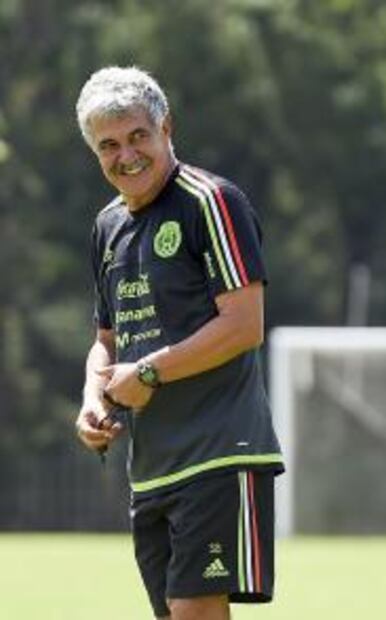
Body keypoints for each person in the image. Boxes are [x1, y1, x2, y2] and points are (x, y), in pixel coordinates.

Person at [73, 66, 284, 620]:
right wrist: (93, 400)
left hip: (219, 453)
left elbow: (244, 325)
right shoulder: (107, 226)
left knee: (194, 614)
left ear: (167, 128)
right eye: (108, 145)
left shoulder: (210, 201)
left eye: (138, 136)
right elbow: (105, 342)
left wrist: (146, 374)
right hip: (152, 469)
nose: (127, 155)